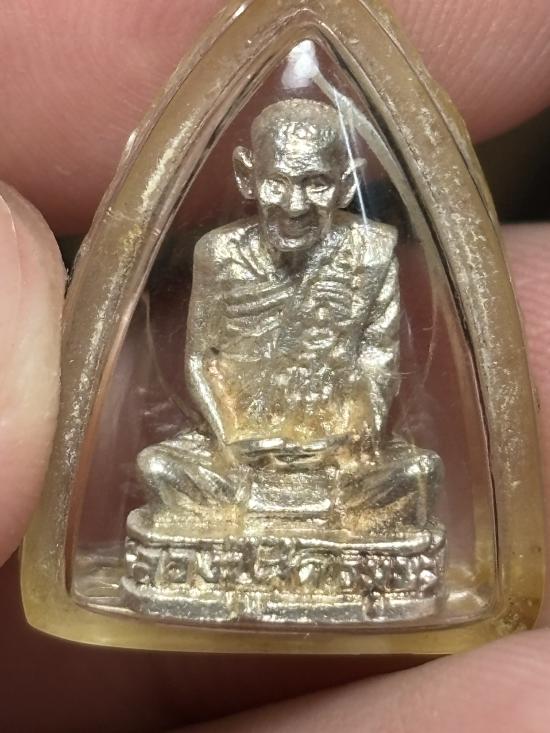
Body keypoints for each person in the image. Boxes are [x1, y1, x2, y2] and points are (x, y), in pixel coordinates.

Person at [0, 1, 549, 731]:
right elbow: (202, 360)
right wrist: (234, 440)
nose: (294, 204)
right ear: (246, 175)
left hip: (339, 461)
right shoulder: (220, 254)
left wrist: (347, 435)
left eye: (317, 184)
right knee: (165, 468)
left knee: (415, 476)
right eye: (279, 182)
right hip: (237, 457)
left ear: (346, 184)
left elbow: (378, 357)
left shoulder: (371, 252)